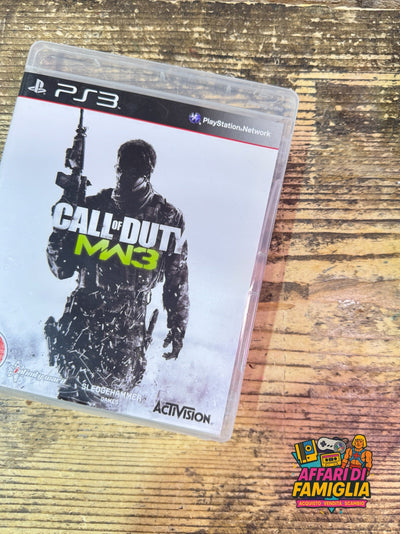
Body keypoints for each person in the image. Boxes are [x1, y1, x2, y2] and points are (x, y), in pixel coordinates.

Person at [45, 139, 189, 408]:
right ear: (117, 167)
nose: (127, 176)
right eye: (123, 168)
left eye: (136, 170)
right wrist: (65, 213)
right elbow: (60, 268)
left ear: (148, 173)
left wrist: (177, 325)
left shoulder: (168, 218)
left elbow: (177, 278)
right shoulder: (92, 206)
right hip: (82, 324)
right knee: (71, 399)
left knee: (108, 402)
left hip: (125, 332)